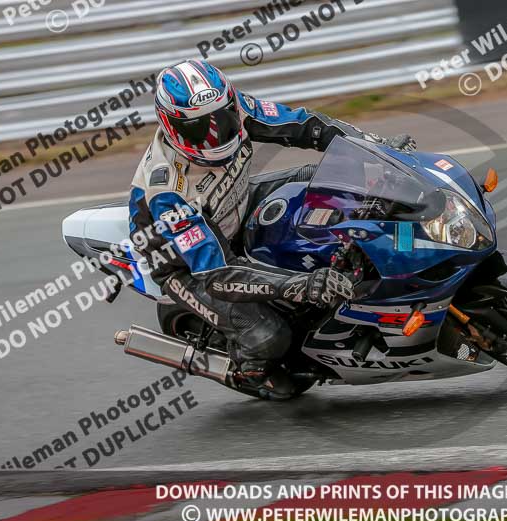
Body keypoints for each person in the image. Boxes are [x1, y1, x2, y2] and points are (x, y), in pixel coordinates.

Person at [128, 59, 416, 397]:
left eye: (222, 118)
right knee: (270, 335)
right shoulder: (167, 191)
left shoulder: (237, 108)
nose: (217, 133)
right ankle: (249, 369)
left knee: (324, 178)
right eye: (200, 129)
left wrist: (373, 147)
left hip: (237, 201)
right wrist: (301, 285)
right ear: (172, 127)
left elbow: (305, 125)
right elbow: (218, 274)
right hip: (187, 266)